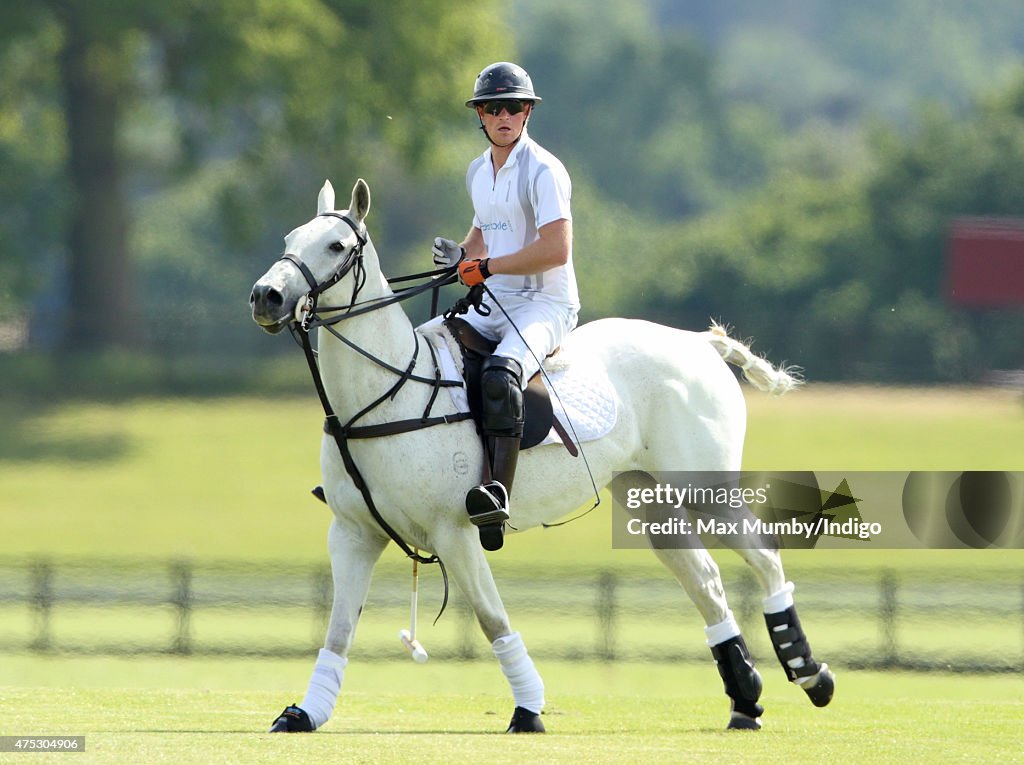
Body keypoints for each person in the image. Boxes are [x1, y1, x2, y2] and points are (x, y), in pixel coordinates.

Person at [431, 61, 579, 550]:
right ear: (480, 115)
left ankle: (497, 493)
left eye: (513, 107)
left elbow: (556, 249)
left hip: (544, 303)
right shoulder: (478, 170)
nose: (503, 116)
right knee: (424, 350)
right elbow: (480, 236)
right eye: (493, 108)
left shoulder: (544, 169)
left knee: (500, 374)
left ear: (527, 112)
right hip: (494, 300)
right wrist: (460, 257)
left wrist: (488, 267)